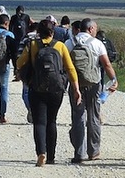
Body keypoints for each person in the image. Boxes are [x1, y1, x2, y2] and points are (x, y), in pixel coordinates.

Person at [17, 19, 80, 167]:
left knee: (39, 121)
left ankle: (41, 153)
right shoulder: (60, 46)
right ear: (53, 32)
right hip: (56, 89)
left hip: (36, 87)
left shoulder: (32, 45)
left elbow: (20, 63)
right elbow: (70, 68)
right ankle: (51, 156)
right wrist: (76, 88)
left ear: (38, 32)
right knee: (52, 121)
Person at [65, 18, 117, 163]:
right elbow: (106, 64)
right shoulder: (97, 43)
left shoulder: (69, 43)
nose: (96, 30)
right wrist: (114, 79)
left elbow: (64, 64)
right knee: (93, 117)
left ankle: (79, 153)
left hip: (76, 85)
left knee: (78, 117)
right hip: (94, 84)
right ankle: (93, 152)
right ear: (90, 29)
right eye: (95, 28)